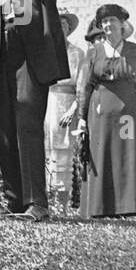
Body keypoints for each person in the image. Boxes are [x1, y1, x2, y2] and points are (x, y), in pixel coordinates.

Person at [0, 0, 69, 221]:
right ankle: (14, 201)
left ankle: (37, 204)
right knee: (1, 131)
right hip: (1, 56)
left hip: (29, 59)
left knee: (27, 127)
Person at [65, 4, 136, 219]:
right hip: (100, 112)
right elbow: (84, 86)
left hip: (128, 113)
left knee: (127, 154)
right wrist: (82, 119)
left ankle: (126, 206)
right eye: (104, 22)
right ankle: (100, 208)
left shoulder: (135, 51)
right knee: (100, 156)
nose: (108, 25)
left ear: (122, 24)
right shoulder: (94, 53)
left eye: (112, 20)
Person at [44, 11, 83, 213]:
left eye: (65, 25)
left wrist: (73, 109)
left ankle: (63, 204)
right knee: (46, 151)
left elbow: (83, 86)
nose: (61, 28)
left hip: (67, 102)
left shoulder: (78, 53)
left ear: (69, 29)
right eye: (57, 24)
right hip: (47, 101)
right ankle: (46, 203)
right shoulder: (44, 50)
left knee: (63, 152)